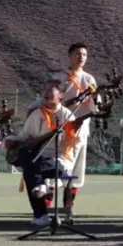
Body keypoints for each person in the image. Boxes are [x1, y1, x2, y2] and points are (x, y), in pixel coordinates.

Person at [4, 81, 78, 227]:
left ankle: (40, 214)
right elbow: (24, 136)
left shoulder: (67, 115)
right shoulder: (36, 114)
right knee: (26, 156)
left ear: (61, 95)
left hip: (60, 160)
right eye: (45, 89)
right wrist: (11, 140)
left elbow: (74, 141)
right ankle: (41, 194)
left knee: (31, 169)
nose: (46, 92)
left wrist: (72, 131)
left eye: (51, 90)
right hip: (38, 158)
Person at [42, 43, 99, 213]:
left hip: (80, 130)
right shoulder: (58, 77)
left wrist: (95, 99)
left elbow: (95, 107)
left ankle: (68, 205)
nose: (81, 57)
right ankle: (46, 205)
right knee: (54, 164)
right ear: (69, 56)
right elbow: (48, 100)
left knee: (75, 168)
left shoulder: (89, 79)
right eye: (77, 54)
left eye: (84, 54)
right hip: (58, 129)